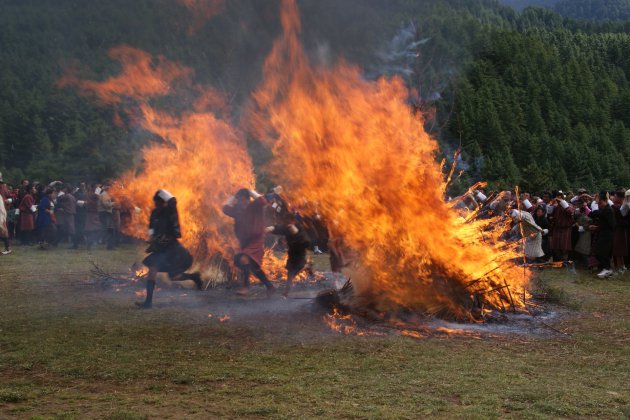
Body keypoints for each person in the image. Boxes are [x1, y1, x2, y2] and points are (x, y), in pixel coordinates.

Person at [136, 190, 202, 309]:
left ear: (163, 202)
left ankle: (194, 277)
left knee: (173, 276)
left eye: (159, 203)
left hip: (172, 249)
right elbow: (151, 228)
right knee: (152, 270)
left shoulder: (169, 211)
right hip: (160, 249)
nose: (157, 205)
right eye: (156, 203)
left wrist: (162, 192)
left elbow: (173, 200)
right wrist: (151, 238)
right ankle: (148, 303)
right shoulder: (154, 213)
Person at [223, 188, 275, 297]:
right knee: (253, 268)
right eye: (240, 200)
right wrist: (234, 196)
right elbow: (225, 208)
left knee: (243, 259)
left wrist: (250, 191)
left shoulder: (254, 206)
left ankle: (246, 286)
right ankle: (270, 286)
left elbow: (262, 201)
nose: (242, 202)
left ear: (248, 199)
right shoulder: (237, 210)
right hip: (245, 242)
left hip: (255, 241)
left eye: (244, 199)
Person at [266, 212, 311, 297]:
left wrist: (298, 236)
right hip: (292, 254)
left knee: (291, 273)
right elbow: (279, 228)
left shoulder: (299, 229)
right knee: (290, 273)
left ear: (293, 220)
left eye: (288, 221)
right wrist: (270, 228)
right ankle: (286, 293)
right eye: (285, 221)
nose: (286, 223)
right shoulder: (286, 227)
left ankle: (286, 293)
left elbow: (306, 242)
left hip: (299, 255)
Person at [590, 191, 616, 278]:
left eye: (600, 203)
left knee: (602, 253)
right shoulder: (604, 210)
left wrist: (598, 227)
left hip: (607, 235)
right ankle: (607, 269)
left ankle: (607, 269)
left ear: (605, 201)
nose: (599, 205)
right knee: (599, 252)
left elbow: (611, 225)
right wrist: (597, 227)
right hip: (603, 233)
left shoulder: (608, 210)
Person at [548, 192, 575, 263]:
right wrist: (551, 205)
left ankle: (564, 261)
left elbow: (570, 212)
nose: (558, 199)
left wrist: (563, 203)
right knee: (556, 246)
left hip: (566, 228)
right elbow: (549, 214)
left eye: (560, 197)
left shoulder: (569, 205)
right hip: (557, 228)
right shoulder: (556, 207)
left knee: (564, 247)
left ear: (563, 198)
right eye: (557, 197)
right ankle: (559, 261)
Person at [611, 191, 628, 275]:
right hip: (619, 229)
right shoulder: (621, 206)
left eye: (615, 196)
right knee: (619, 250)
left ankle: (620, 268)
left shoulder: (619, 207)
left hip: (619, 230)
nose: (613, 198)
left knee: (618, 249)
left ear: (620, 198)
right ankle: (621, 266)